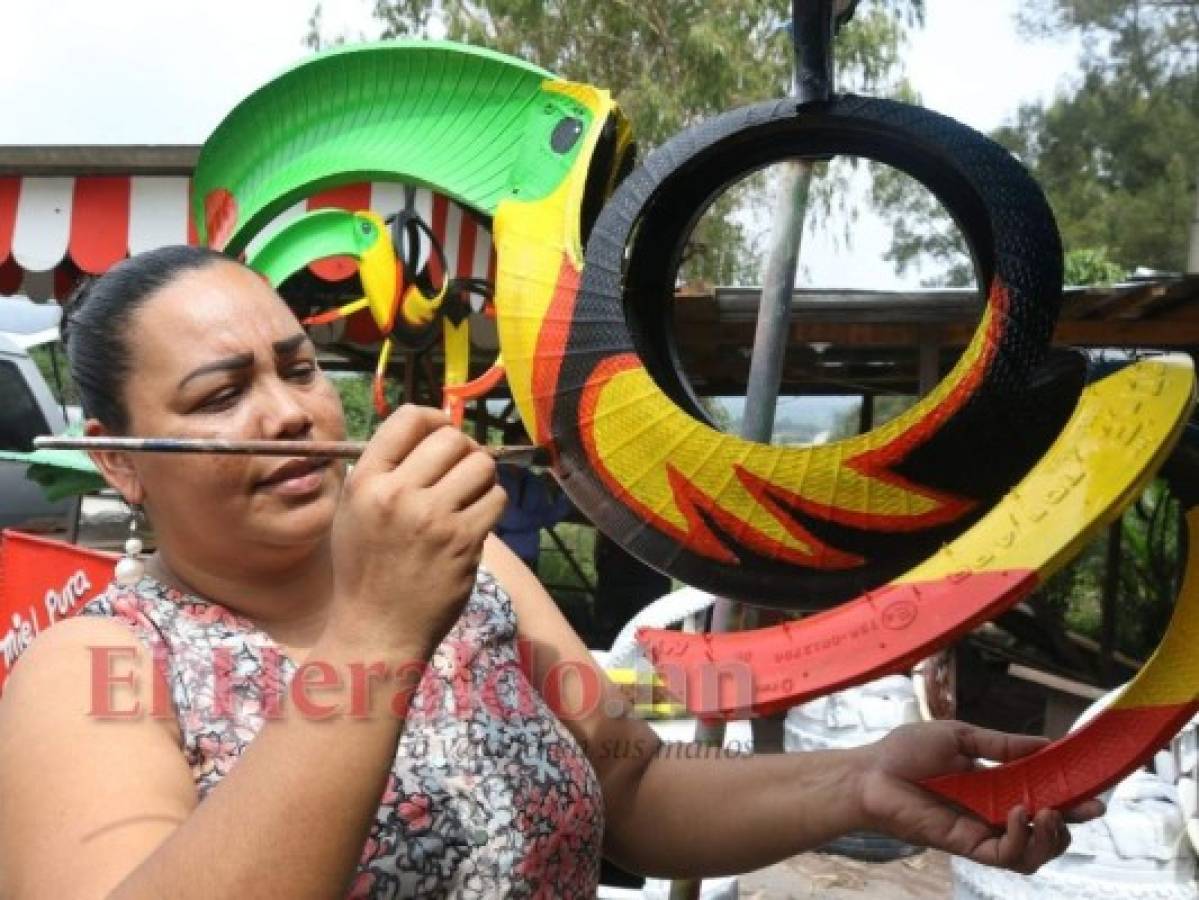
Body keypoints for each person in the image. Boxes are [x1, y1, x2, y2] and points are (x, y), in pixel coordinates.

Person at [0, 246, 1101, 898]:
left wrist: (858, 781)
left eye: (300, 368)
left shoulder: (471, 577)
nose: (289, 410)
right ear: (117, 457)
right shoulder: (93, 668)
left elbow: (632, 786)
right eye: (219, 394)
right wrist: (381, 632)